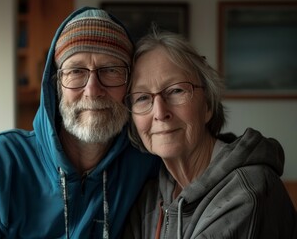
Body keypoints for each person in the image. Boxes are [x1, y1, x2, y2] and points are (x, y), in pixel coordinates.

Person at [0, 7, 160, 238]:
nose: (92, 90)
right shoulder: (1, 163)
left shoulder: (145, 164)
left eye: (111, 70)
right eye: (76, 71)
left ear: (130, 84)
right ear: (56, 85)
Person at [123, 27, 297, 238]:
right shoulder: (150, 196)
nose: (160, 112)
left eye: (176, 90)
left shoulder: (247, 192)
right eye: (142, 98)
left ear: (207, 105)